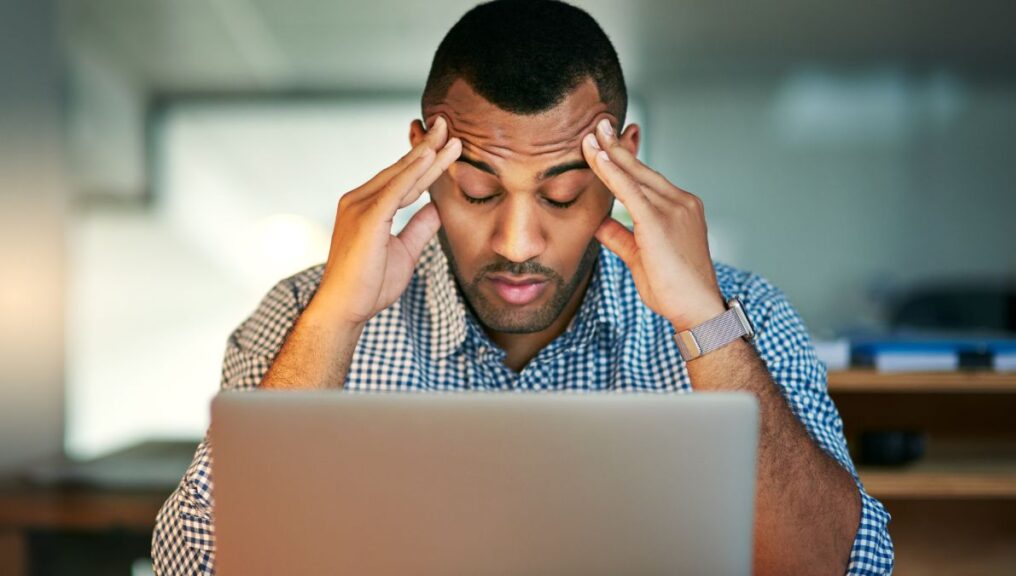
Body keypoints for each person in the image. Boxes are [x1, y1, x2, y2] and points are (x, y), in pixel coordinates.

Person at [152, 1, 893, 574]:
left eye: (563, 196)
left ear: (622, 163)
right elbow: (199, 567)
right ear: (423, 159)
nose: (516, 244)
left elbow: (836, 567)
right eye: (477, 191)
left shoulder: (744, 314)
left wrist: (702, 320)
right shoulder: (300, 314)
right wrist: (334, 322)